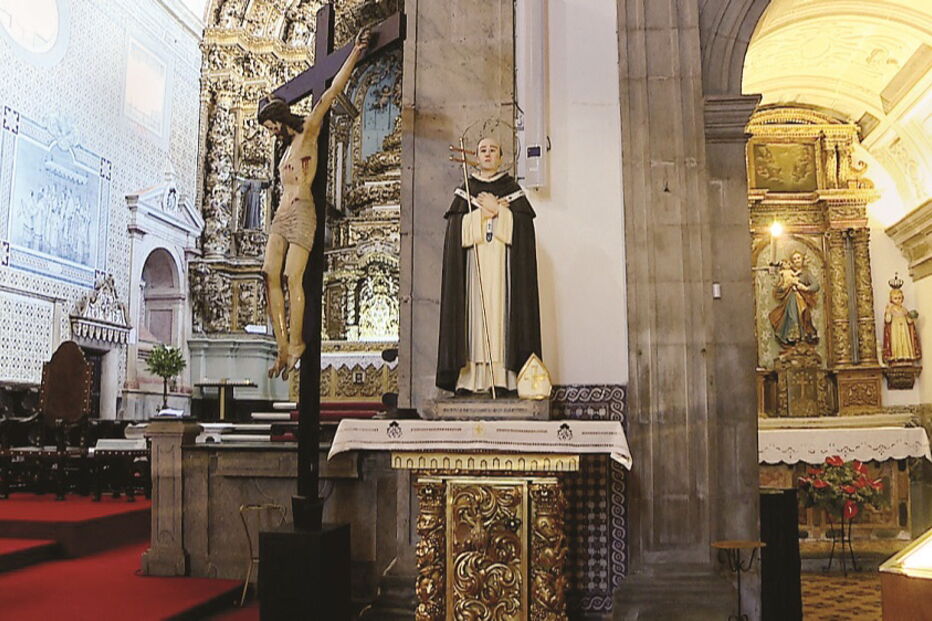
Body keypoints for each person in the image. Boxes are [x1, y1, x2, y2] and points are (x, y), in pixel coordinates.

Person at [257, 27, 369, 379]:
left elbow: (332, 91)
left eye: (270, 125)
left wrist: (354, 53)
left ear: (279, 117)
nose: (270, 131)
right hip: (281, 215)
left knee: (293, 277)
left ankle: (296, 343)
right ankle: (281, 346)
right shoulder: (286, 149)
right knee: (268, 274)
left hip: (303, 211)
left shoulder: (308, 131)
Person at [436, 136, 542, 394]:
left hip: (504, 269)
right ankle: (471, 379)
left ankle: (502, 378)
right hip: (475, 267)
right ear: (476, 156)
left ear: (501, 157)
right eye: (483, 150)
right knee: (474, 319)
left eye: (493, 149)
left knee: (501, 317)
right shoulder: (466, 190)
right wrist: (481, 215)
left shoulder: (512, 190)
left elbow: (524, 233)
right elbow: (455, 234)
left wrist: (500, 211)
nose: (487, 154)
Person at [769, 250, 820, 347]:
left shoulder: (806, 274)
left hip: (802, 299)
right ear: (792, 261)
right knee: (792, 318)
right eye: (794, 259)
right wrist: (786, 285)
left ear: (802, 259)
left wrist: (805, 288)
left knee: (804, 317)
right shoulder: (786, 273)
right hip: (791, 299)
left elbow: (816, 286)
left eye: (798, 258)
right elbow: (778, 289)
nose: (797, 261)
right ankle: (792, 339)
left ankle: (802, 338)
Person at [883, 286, 921, 363]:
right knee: (896, 342)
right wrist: (888, 312)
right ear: (891, 299)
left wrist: (912, 317)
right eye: (895, 298)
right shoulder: (891, 309)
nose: (898, 300)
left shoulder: (904, 309)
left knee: (905, 341)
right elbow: (888, 320)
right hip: (895, 329)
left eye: (899, 298)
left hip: (904, 329)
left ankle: (905, 355)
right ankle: (897, 356)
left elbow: (909, 321)